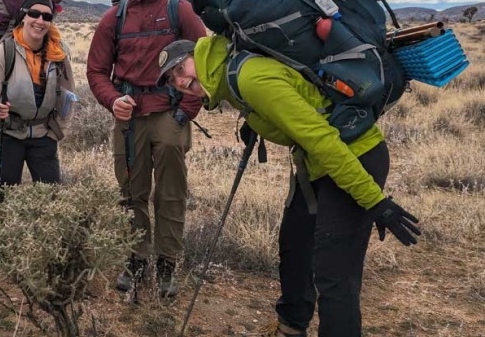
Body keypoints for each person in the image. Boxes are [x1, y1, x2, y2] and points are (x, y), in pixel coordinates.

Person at [157, 37, 421, 336]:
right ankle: (290, 328)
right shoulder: (229, 80)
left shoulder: (250, 78)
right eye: (171, 78)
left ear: (199, 55)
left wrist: (374, 201)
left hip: (353, 158)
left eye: (180, 67)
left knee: (334, 271)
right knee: (295, 247)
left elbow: (320, 139)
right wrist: (255, 120)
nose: (179, 80)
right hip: (316, 165)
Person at [86, 0, 207, 298]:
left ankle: (167, 264)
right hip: (129, 120)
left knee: (171, 195)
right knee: (130, 194)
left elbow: (204, 61)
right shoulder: (114, 18)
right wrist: (112, 101)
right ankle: (136, 259)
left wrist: (185, 112)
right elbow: (95, 71)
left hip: (170, 115)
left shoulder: (179, 10)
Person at [0, 0, 76, 192]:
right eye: (34, 13)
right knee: (5, 196)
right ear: (23, 16)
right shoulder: (4, 51)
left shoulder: (58, 54)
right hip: (7, 134)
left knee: (50, 198)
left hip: (44, 135)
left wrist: (57, 132)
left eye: (47, 16)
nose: (40, 21)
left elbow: (68, 97)